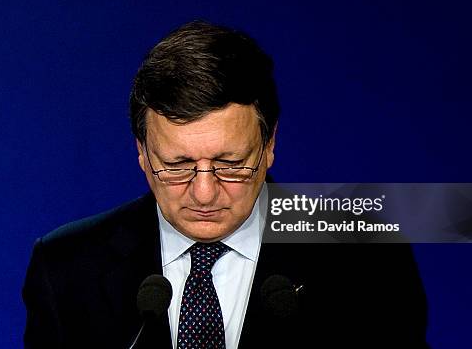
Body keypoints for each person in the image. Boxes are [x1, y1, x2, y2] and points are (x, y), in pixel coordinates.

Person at [22, 21, 429, 348]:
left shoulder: (368, 259)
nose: (204, 193)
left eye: (230, 164)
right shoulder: (66, 266)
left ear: (269, 146)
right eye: (177, 165)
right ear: (143, 153)